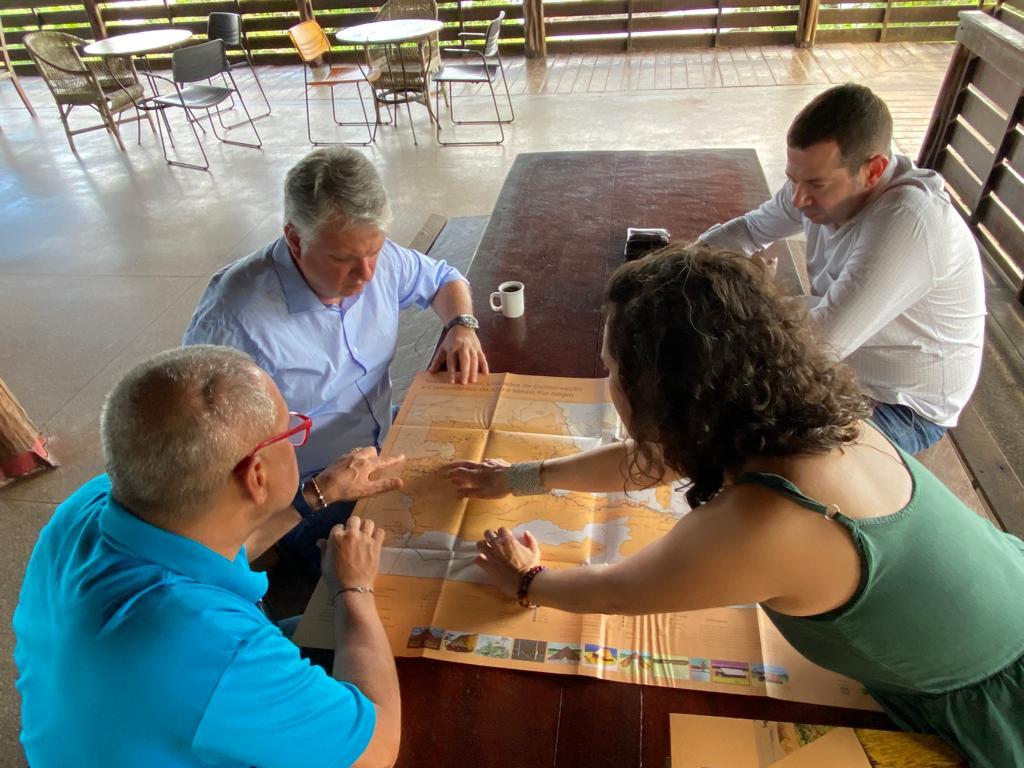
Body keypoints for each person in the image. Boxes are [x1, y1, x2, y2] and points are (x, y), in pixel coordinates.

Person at [449, 244, 1024, 768]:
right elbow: (652, 458)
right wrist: (521, 478)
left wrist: (527, 581)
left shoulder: (766, 520)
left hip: (993, 701)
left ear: (666, 392)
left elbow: (614, 592)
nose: (609, 382)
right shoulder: (809, 417)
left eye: (612, 368)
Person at [14, 345, 403, 768]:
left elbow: (215, 550)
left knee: (315, 632)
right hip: (190, 675)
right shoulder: (216, 645)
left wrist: (321, 492)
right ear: (257, 474)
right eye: (291, 431)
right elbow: (377, 749)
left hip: (93, 730)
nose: (297, 436)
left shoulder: (94, 501)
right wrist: (354, 587)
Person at [184, 147, 488, 570]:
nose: (366, 274)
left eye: (375, 252)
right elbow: (204, 450)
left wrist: (461, 325)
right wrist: (276, 521)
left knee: (488, 487)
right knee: (434, 562)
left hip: (384, 435)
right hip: (313, 490)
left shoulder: (371, 257)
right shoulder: (236, 317)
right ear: (294, 238)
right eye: (343, 260)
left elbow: (442, 278)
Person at [699, 84, 985, 454]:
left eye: (816, 184)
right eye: (792, 179)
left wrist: (743, 315)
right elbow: (751, 230)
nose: (799, 199)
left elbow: (820, 344)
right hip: (842, 366)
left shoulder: (908, 221)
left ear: (874, 170)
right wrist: (681, 266)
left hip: (900, 405)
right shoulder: (812, 186)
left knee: (762, 450)